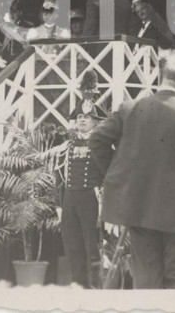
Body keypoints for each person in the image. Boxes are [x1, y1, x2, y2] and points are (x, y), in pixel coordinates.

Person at [89, 54, 175, 288]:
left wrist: (119, 174)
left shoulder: (130, 108)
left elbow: (97, 140)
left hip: (139, 206)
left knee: (147, 280)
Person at [55, 75, 106, 289]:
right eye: (79, 117)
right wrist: (59, 205)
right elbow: (59, 177)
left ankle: (94, 290)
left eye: (87, 117)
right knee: (73, 248)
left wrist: (105, 205)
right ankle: (79, 288)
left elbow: (108, 176)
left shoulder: (102, 145)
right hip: (70, 199)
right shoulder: (66, 147)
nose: (82, 120)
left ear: (95, 121)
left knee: (92, 248)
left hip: (91, 199)